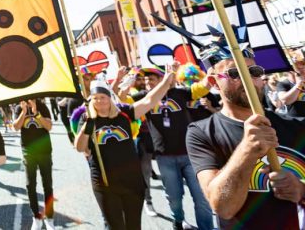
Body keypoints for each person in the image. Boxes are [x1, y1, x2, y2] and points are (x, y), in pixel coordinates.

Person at [186, 46, 305, 228]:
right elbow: (223, 208)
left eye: (254, 72)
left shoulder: (297, 126)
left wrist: (301, 189)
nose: (247, 78)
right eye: (235, 73)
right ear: (214, 82)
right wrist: (247, 149)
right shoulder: (201, 133)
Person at [75, 67, 178, 230]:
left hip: (132, 180)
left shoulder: (124, 113)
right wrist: (86, 127)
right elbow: (80, 147)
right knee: (116, 226)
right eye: (95, 98)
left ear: (110, 98)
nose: (99, 101)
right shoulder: (87, 118)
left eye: (103, 97)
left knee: (133, 225)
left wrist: (166, 81)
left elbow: (149, 101)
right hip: (104, 182)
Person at [141, 66, 213, 230]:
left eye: (151, 79)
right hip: (164, 157)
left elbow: (203, 87)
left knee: (201, 197)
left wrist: (211, 71)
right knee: (174, 197)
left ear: (162, 80)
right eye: (145, 80)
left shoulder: (180, 93)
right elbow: (123, 102)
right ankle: (178, 220)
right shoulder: (145, 98)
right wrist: (119, 82)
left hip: (190, 156)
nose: (147, 83)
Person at [13, 99, 54, 229]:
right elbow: (15, 127)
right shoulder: (19, 108)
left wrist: (37, 113)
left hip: (44, 150)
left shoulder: (42, 106)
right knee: (30, 185)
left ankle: (50, 217)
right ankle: (36, 217)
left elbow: (49, 126)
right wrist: (24, 112)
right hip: (28, 151)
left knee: (47, 184)